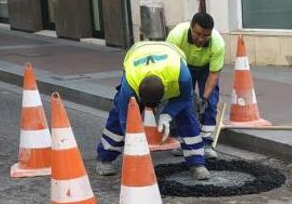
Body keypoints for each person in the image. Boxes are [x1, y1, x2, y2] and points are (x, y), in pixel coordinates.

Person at [96, 41, 211, 180]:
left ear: (165, 93)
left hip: (170, 54)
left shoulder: (181, 75)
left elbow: (186, 98)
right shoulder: (131, 82)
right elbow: (124, 115)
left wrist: (168, 114)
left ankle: (197, 163)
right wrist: (133, 137)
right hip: (137, 53)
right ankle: (105, 158)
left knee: (186, 116)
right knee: (116, 118)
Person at [166, 12, 225, 159]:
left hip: (206, 68)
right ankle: (185, 141)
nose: (201, 38)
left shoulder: (217, 43)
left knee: (210, 102)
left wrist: (204, 99)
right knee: (183, 102)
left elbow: (213, 74)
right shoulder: (176, 36)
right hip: (182, 66)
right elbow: (169, 66)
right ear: (191, 27)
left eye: (206, 35)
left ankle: (205, 143)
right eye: (198, 34)